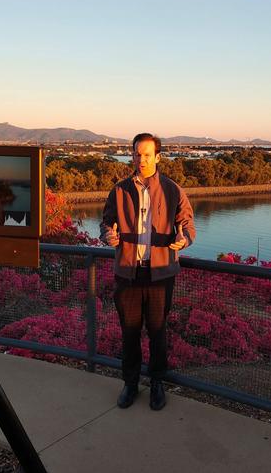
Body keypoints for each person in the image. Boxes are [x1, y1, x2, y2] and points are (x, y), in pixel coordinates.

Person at [100, 133, 195, 411]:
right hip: (128, 273)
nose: (141, 159)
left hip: (160, 274)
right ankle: (130, 384)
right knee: (129, 333)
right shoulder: (119, 190)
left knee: (157, 331)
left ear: (157, 157)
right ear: (132, 155)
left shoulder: (173, 190)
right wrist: (109, 235)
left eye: (147, 154)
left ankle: (156, 383)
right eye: (137, 154)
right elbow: (106, 222)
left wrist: (183, 239)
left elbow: (187, 225)